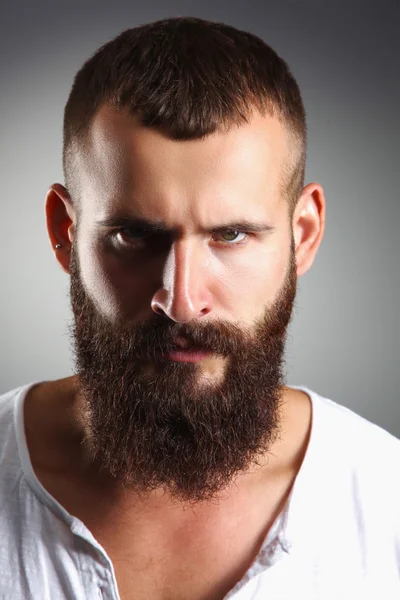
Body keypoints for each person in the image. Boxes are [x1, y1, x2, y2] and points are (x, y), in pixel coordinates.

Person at [0, 15, 399, 600]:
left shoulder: (387, 504)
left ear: (304, 235)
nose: (183, 301)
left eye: (231, 235)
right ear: (66, 232)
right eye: (135, 235)